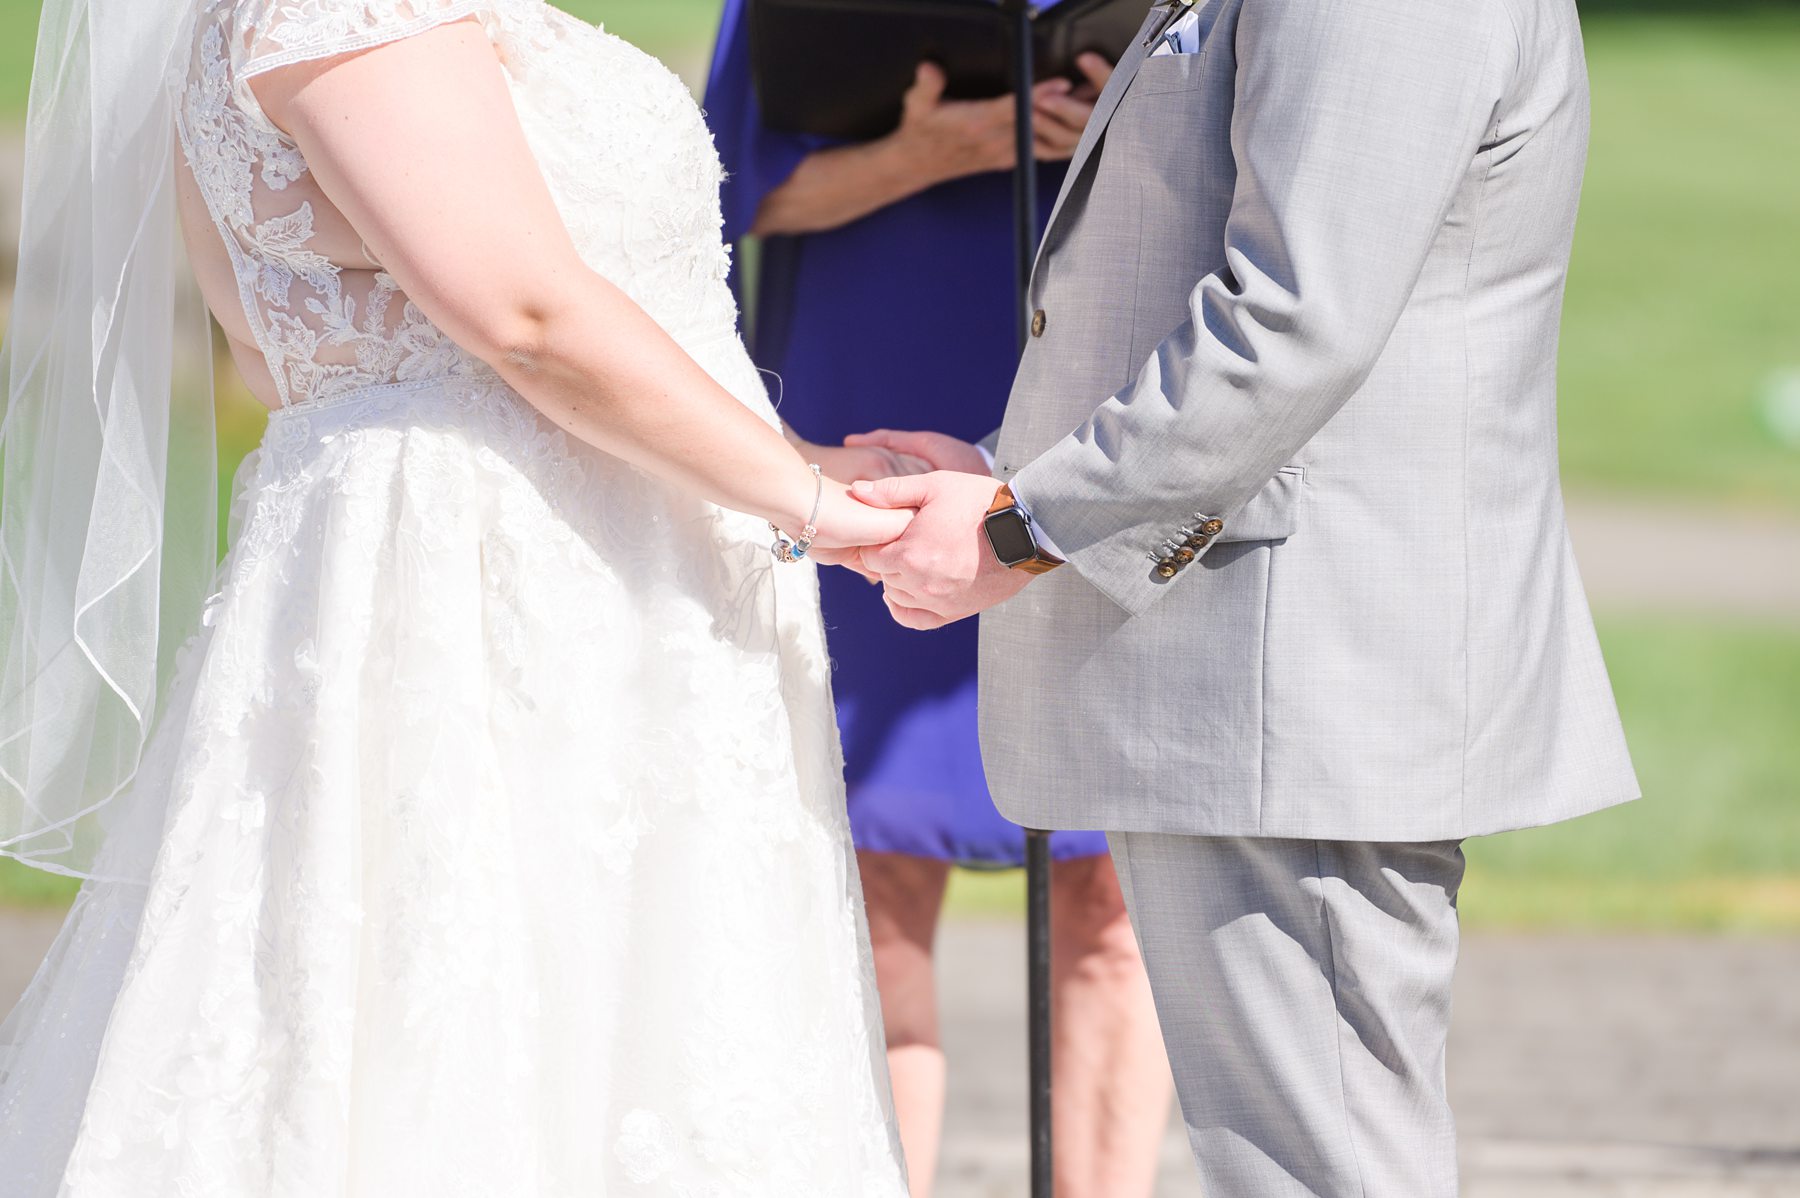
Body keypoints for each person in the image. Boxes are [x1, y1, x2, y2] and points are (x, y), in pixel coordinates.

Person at [0, 0, 919, 1191]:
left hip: (575, 556)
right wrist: (815, 509)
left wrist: (803, 460)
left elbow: (296, 341)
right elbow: (527, 319)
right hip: (493, 583)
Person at [837, 0, 1642, 1195]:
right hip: (1256, 653)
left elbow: (1291, 320)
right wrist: (1015, 470)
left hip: (1300, 663)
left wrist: (1025, 528)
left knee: (1312, 1162)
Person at [704, 4, 1170, 1194]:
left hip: (1118, 392)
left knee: (1118, 880)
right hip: (882, 382)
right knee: (868, 859)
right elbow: (718, 194)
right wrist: (941, 149)